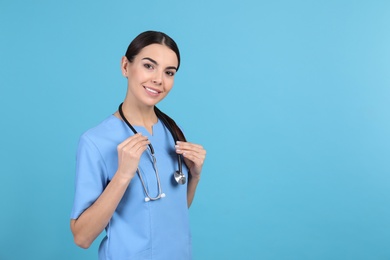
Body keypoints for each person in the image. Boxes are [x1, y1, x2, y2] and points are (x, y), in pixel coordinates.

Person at [70, 31, 206, 260]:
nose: (158, 80)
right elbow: (82, 238)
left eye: (169, 72)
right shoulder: (95, 141)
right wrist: (123, 175)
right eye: (149, 66)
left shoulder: (173, 132)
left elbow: (173, 214)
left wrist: (194, 176)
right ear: (125, 66)